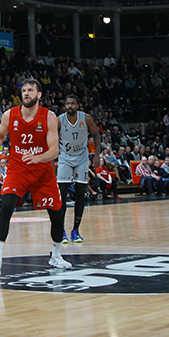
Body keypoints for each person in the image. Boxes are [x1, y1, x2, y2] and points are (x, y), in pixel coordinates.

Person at [0, 80, 71, 276]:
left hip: (42, 172)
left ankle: (56, 255)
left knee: (57, 213)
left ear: (39, 94)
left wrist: (38, 157)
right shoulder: (9, 115)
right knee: (6, 205)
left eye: (30, 90)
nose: (26, 93)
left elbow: (54, 150)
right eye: (23, 91)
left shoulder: (49, 117)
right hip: (18, 169)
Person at [56, 94, 100, 243]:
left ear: (78, 105)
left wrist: (97, 155)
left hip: (81, 159)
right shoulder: (59, 121)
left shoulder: (86, 118)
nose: (70, 106)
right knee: (61, 194)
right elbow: (51, 138)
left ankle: (75, 230)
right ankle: (61, 230)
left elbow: (96, 134)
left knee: (81, 193)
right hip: (65, 159)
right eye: (68, 103)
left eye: (73, 104)